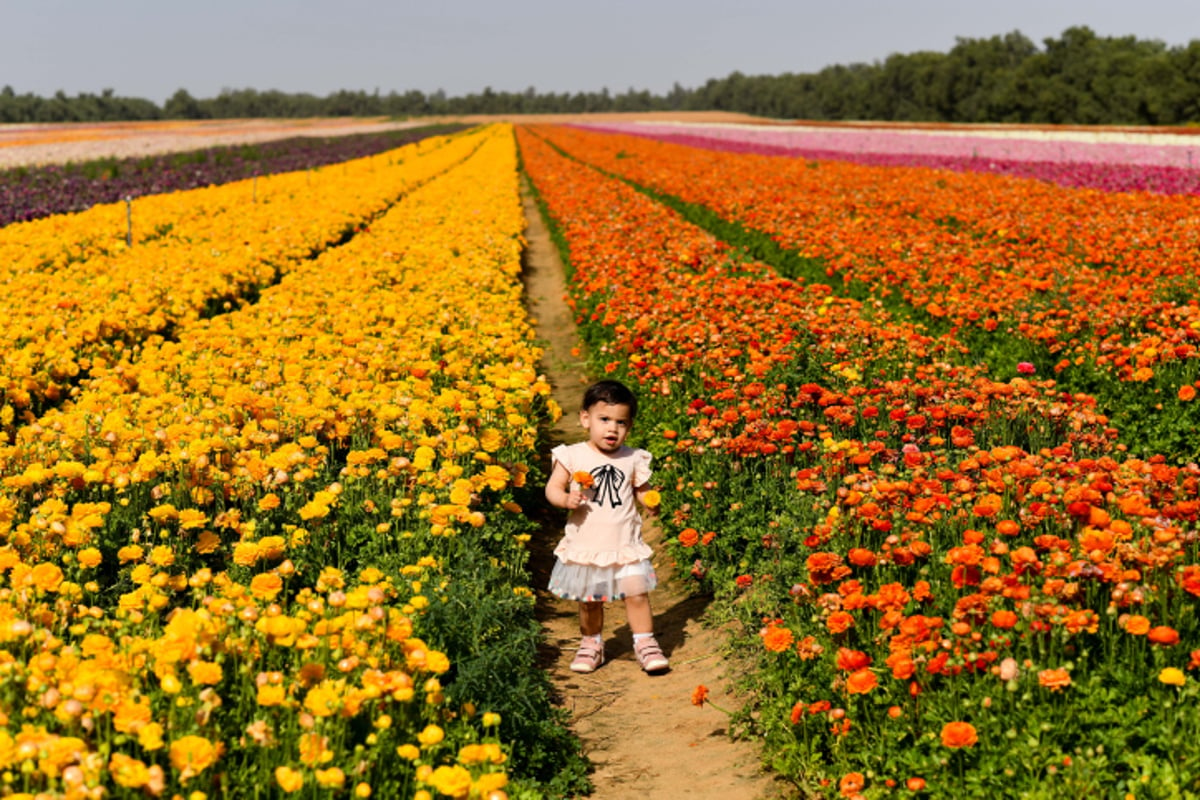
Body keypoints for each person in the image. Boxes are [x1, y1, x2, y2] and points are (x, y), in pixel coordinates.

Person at [544, 379, 669, 674]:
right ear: (585, 418)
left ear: (630, 426)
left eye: (620, 422)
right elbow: (552, 489)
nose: (612, 429)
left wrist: (650, 501)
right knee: (589, 601)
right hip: (587, 545)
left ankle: (645, 642)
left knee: (636, 593)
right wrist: (566, 499)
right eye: (604, 420)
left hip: (625, 542)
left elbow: (640, 489)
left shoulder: (633, 457)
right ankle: (591, 643)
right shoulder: (572, 455)